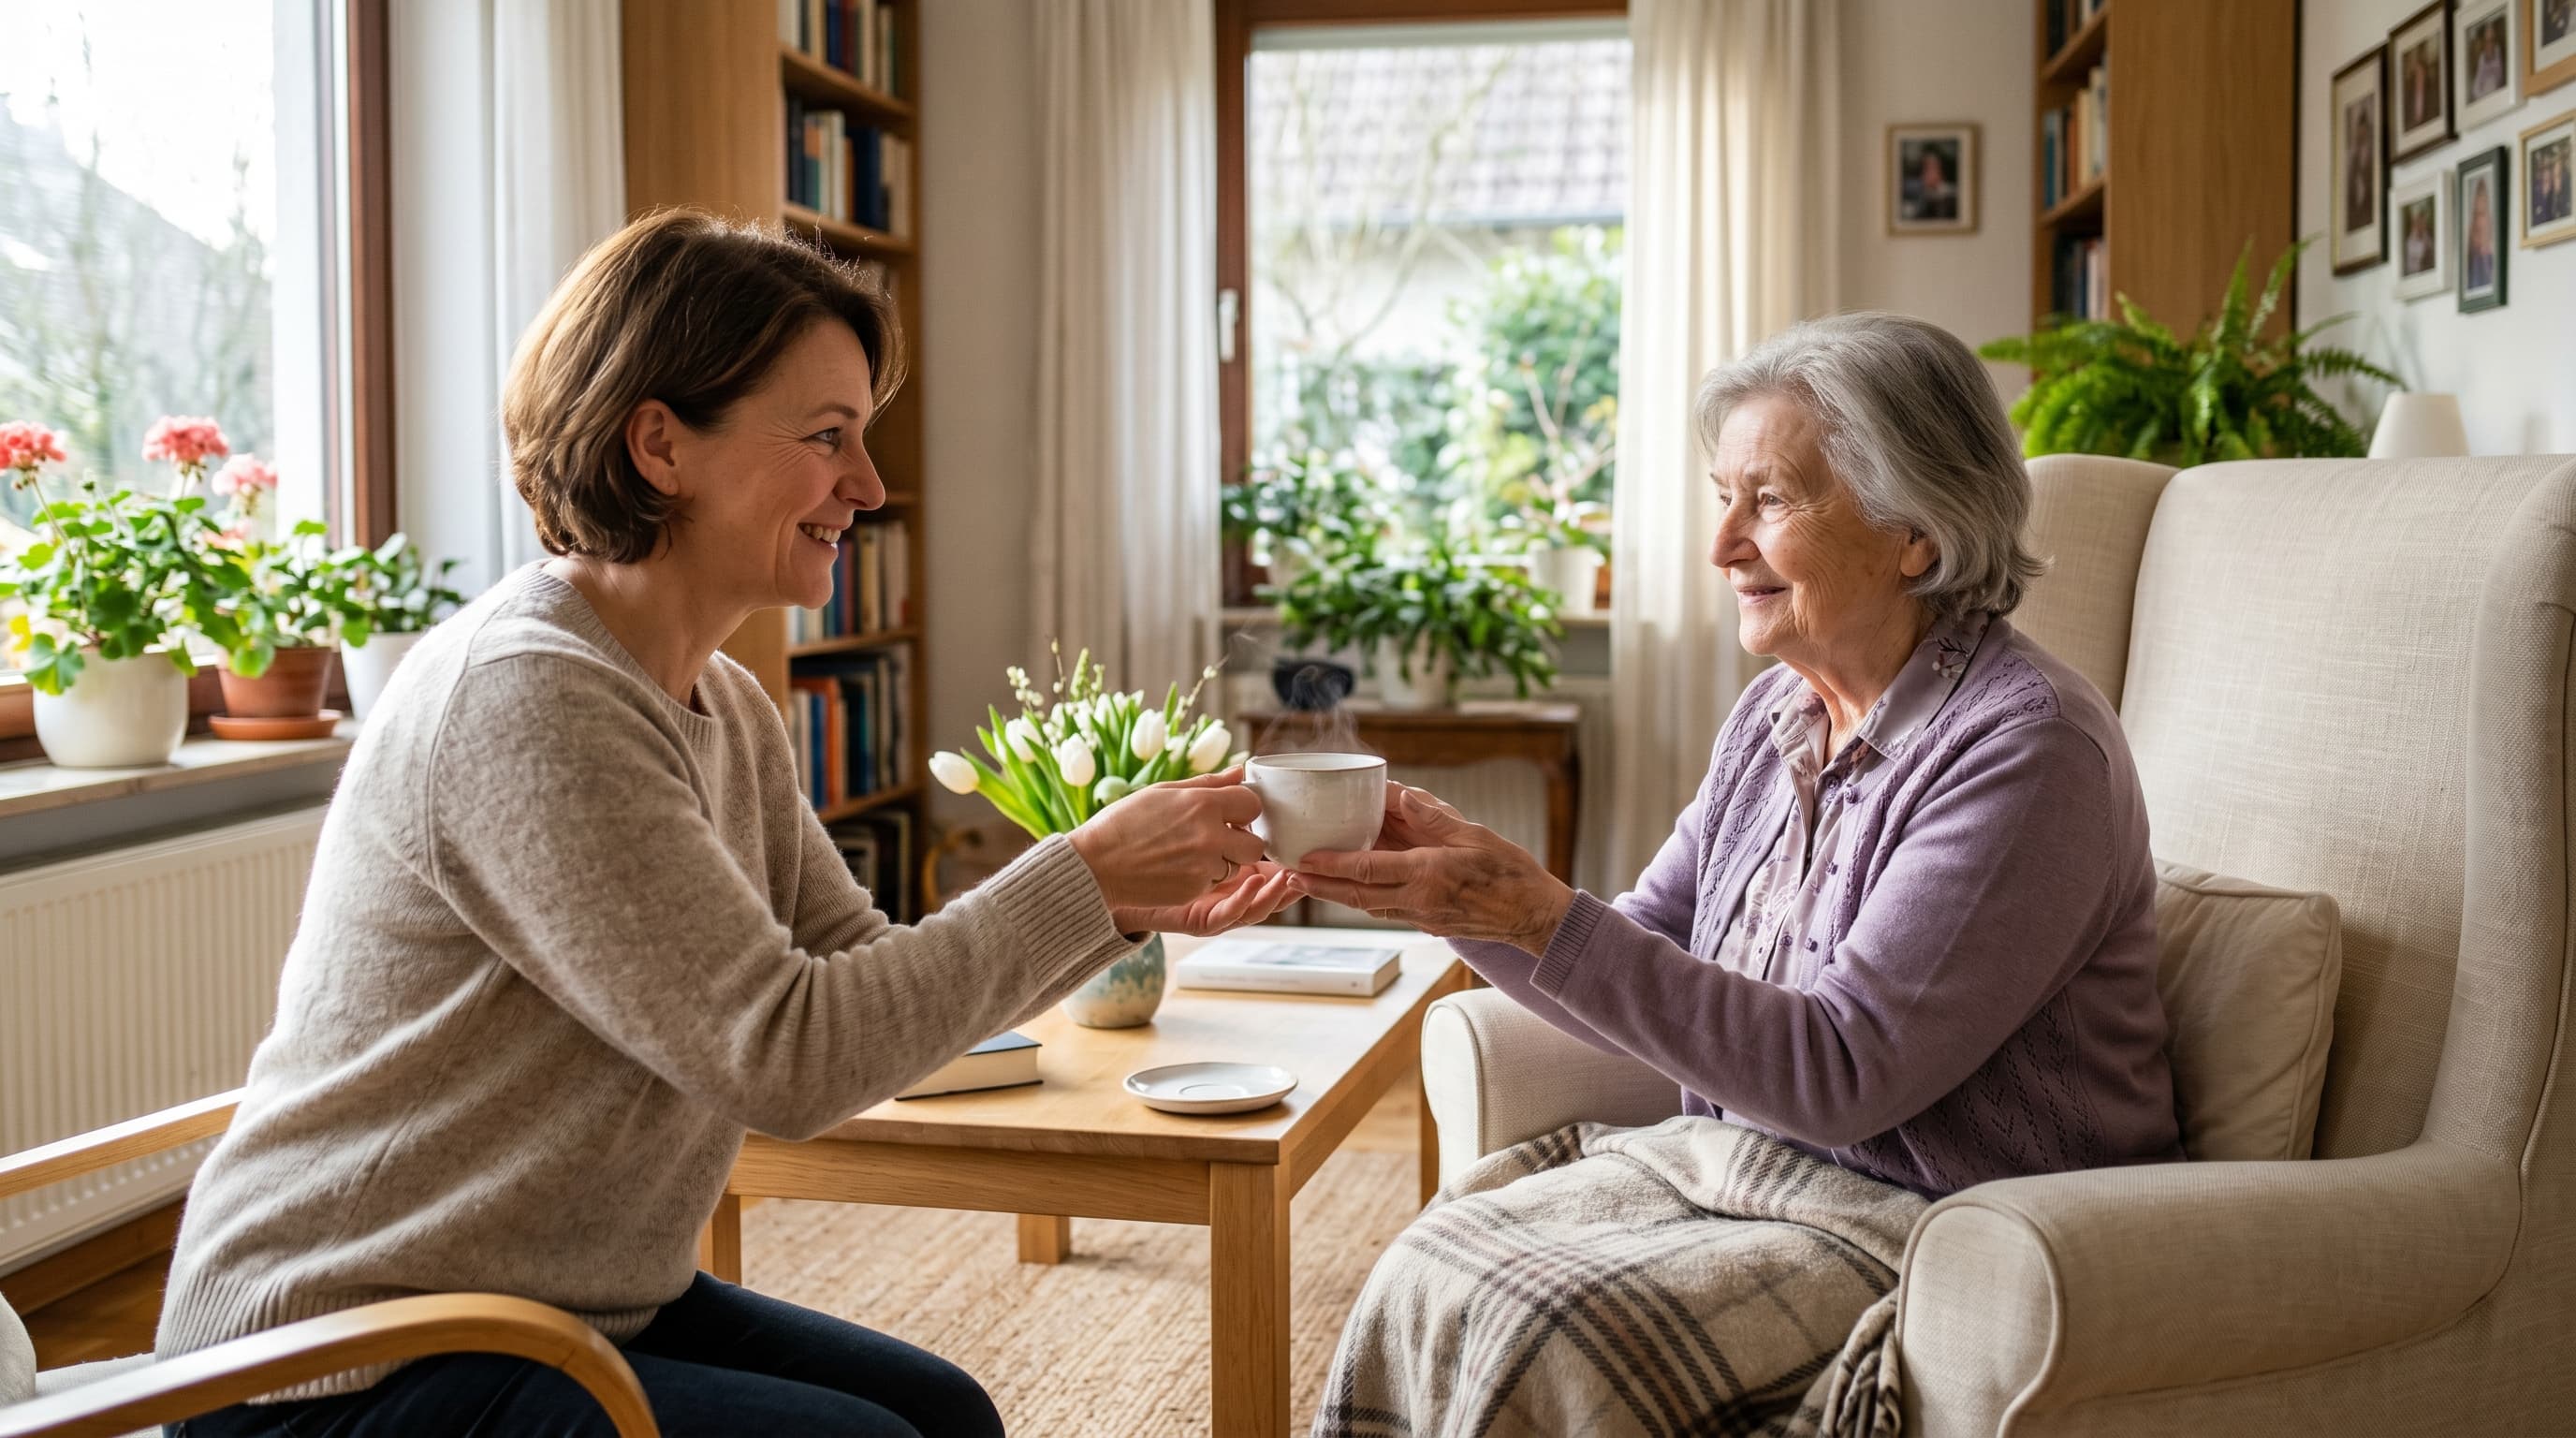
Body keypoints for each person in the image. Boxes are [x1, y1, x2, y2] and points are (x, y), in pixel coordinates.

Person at [154, 210, 1295, 1437]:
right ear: (661, 446)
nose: (865, 485)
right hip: (343, 1355)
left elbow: (859, 986)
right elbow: (788, 1059)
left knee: (946, 1416)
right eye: (827, 439)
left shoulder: (724, 704)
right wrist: (1084, 872)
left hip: (554, 1300)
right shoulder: (529, 694)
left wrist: (1116, 903)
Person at [1297, 314, 2181, 1431]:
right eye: (1724, 496)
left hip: (1952, 1224)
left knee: (1552, 1337)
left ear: (1916, 532)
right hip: (1750, 1173)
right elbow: (1634, 962)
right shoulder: (1777, 714)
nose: (1721, 545)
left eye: (1767, 501)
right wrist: (1452, 894)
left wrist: (1529, 912)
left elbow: (1842, 1071)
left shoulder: (2026, 750)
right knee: (1426, 1273)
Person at [2467, 176, 2497, 290]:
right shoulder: (2473, 223)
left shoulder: (2488, 220)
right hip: (2477, 261)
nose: (2480, 202)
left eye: (2483, 198)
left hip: (2486, 259)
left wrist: (2487, 247)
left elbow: (2489, 242)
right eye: (2478, 198)